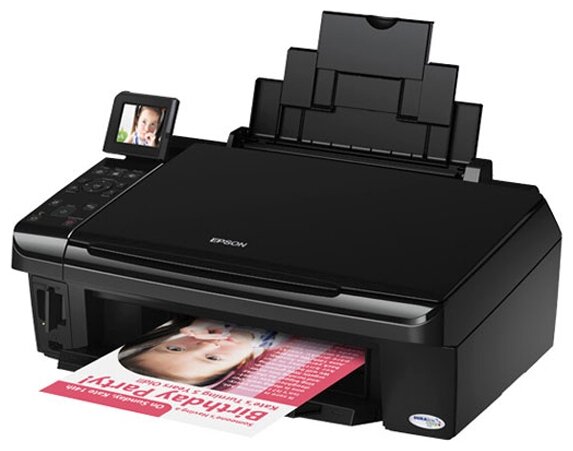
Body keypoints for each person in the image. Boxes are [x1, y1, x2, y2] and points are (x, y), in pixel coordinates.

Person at [119, 318, 282, 387]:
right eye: (213, 358)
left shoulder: (195, 324)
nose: (205, 345)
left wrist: (201, 322)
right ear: (241, 363)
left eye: (175, 349)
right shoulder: (276, 343)